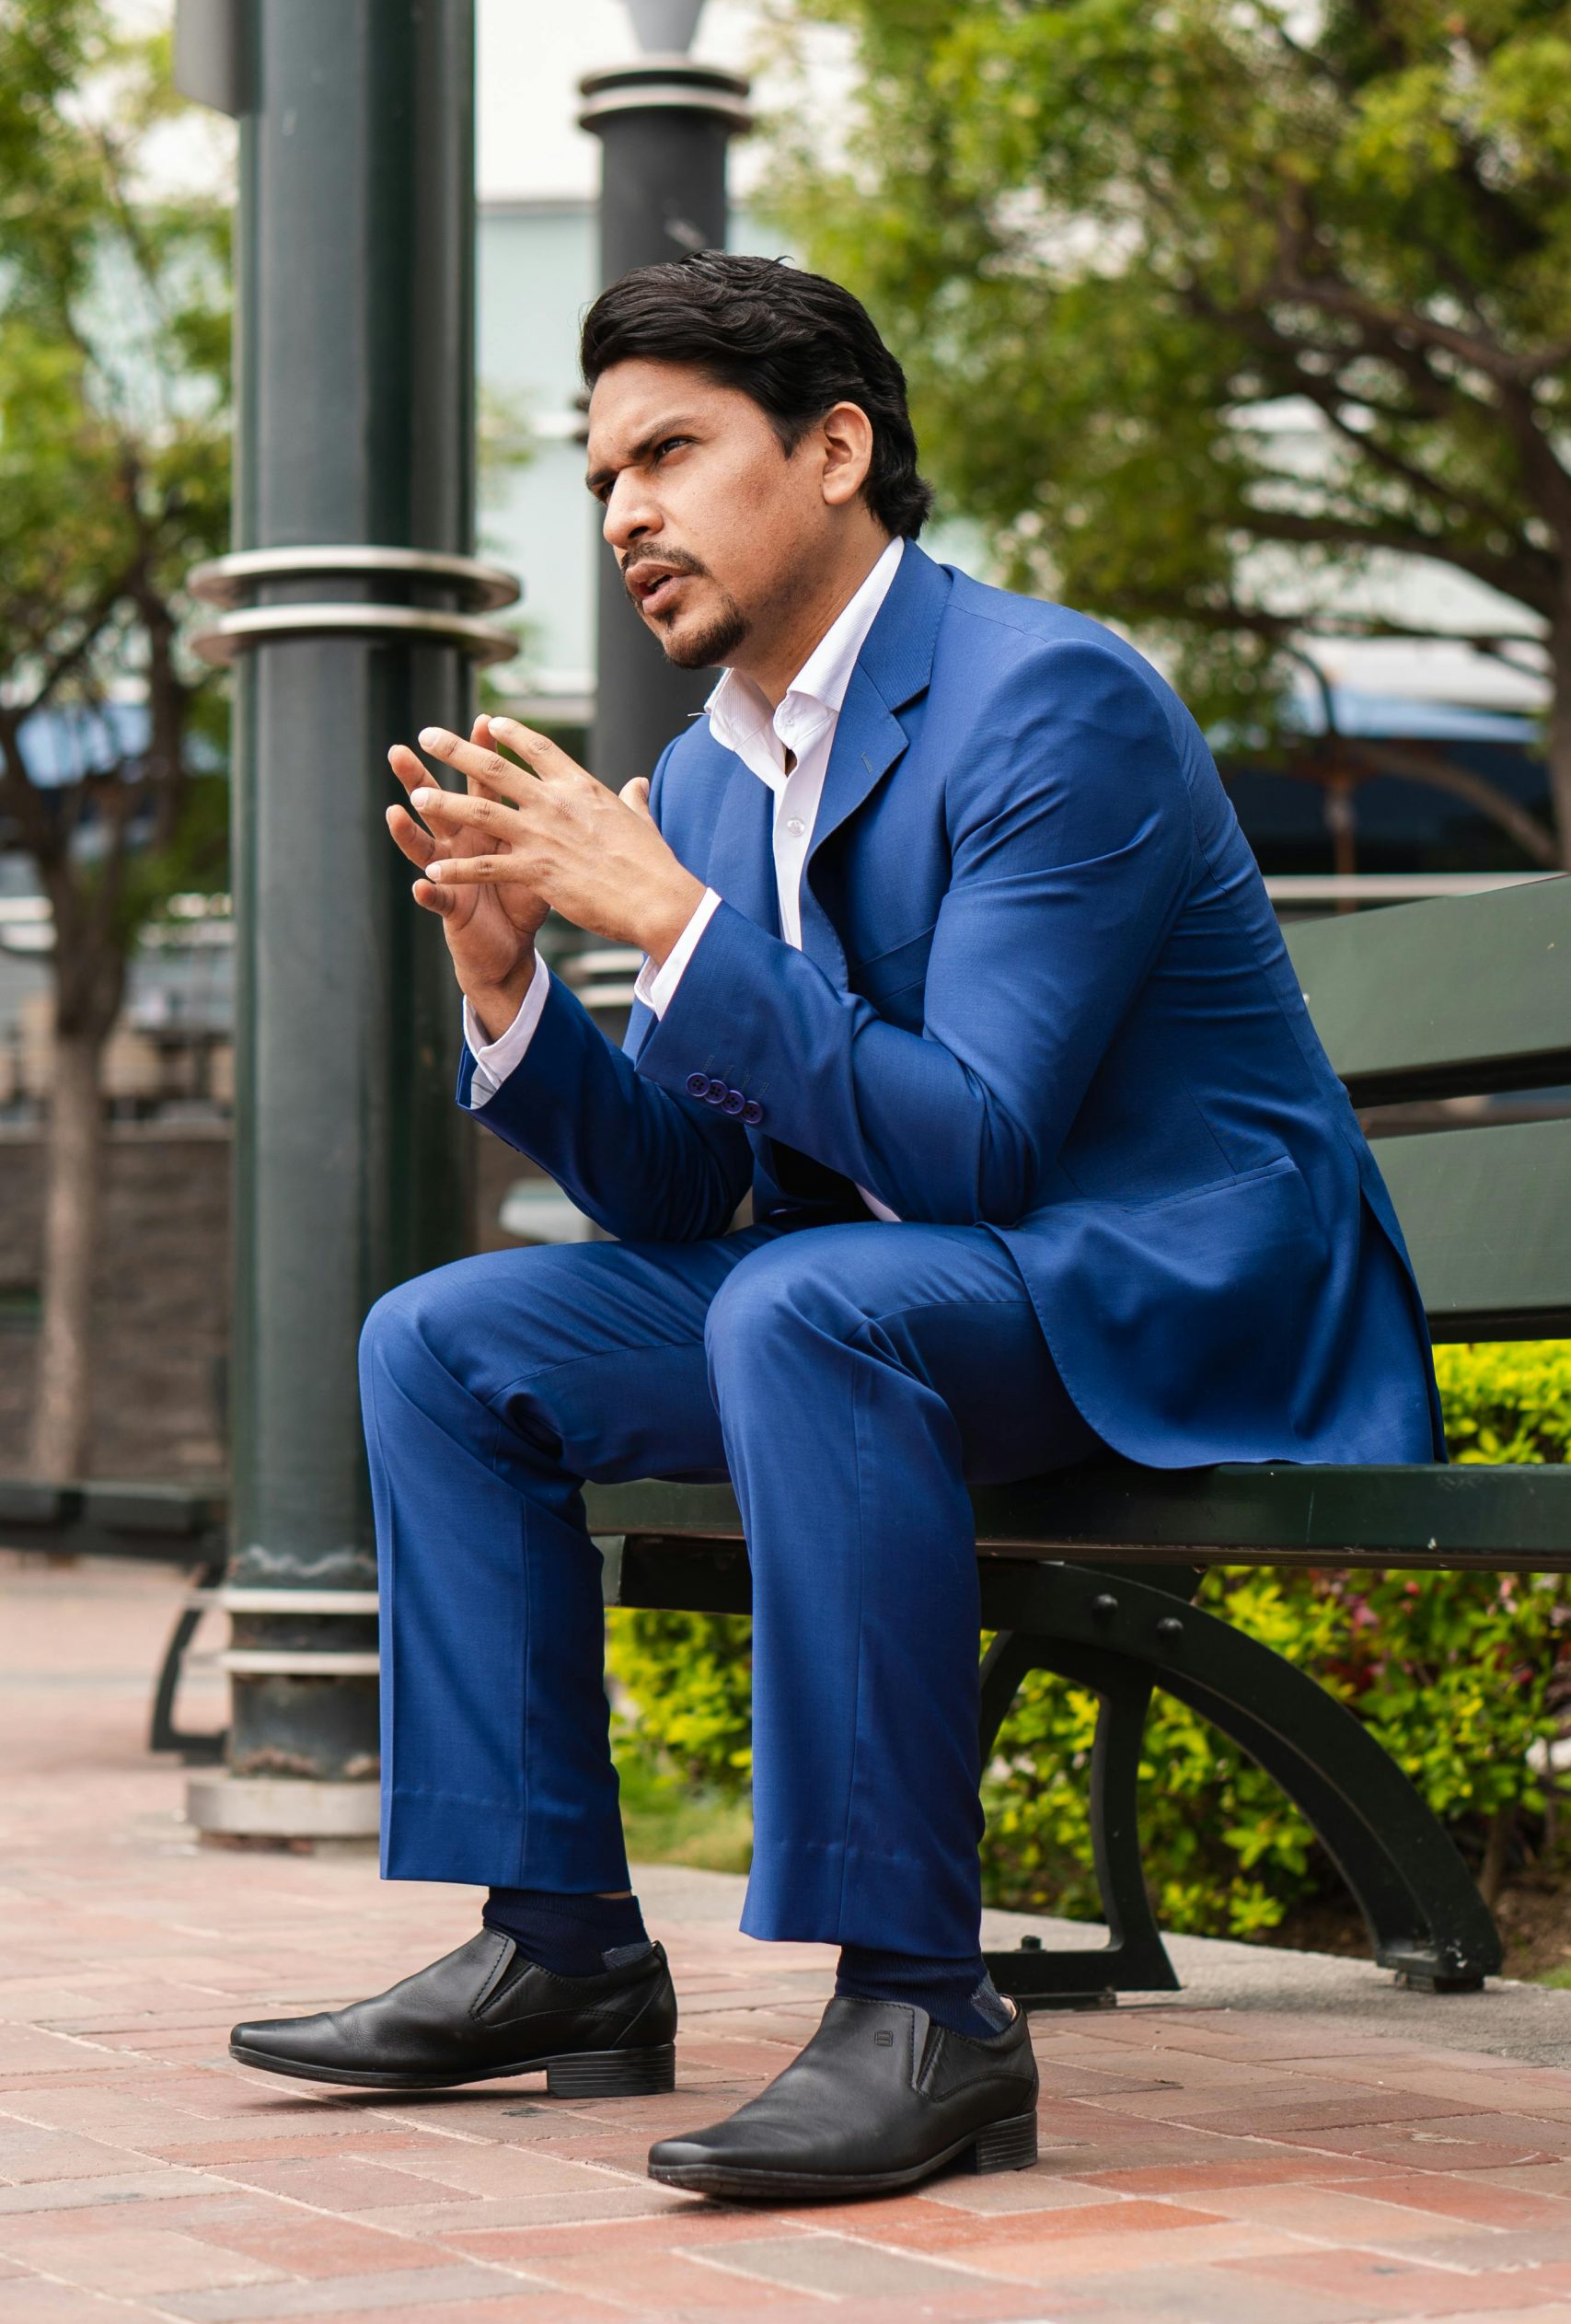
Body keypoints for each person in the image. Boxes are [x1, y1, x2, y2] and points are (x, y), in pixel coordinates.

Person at [229, 252, 1442, 2202]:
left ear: (835, 447)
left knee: (805, 1309)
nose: (622, 507)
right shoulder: (708, 781)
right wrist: (511, 993)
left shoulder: (1048, 699)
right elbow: (682, 1190)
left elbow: (972, 1143)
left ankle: (922, 2008)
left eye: (670, 450)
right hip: (889, 1301)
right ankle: (558, 1940)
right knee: (441, 1340)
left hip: (1159, 1282)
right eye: (599, 467)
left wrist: (671, 928)